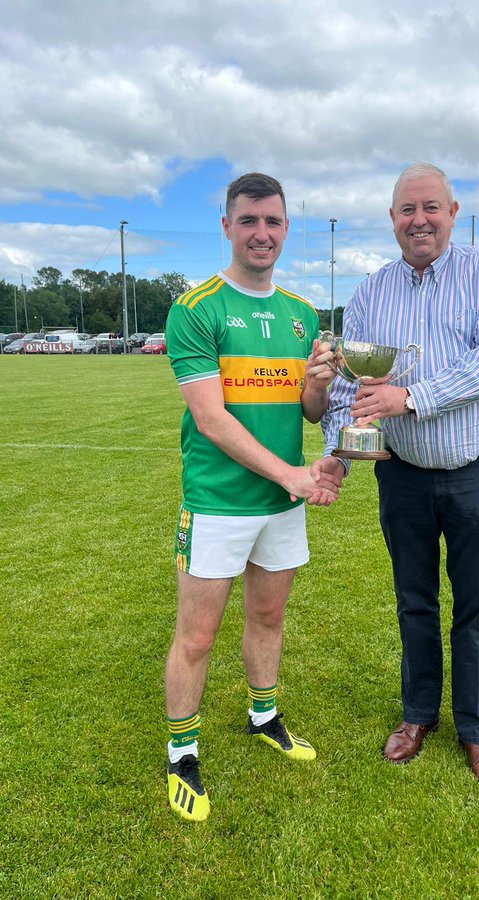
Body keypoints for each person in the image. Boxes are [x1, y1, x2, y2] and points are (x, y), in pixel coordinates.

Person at [320, 162, 479, 792]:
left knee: (477, 606)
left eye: (431, 207)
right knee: (414, 602)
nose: (419, 221)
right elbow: (350, 389)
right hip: (402, 475)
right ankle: (417, 716)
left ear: (453, 212)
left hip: (475, 470)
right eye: (407, 210)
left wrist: (411, 397)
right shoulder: (370, 292)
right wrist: (338, 452)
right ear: (392, 219)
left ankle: (476, 729)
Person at [163, 172, 340, 821]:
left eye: (272, 221)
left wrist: (318, 384)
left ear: (285, 228)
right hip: (216, 502)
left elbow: (312, 411)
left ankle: (262, 717)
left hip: (281, 506)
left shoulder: (301, 315)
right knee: (198, 635)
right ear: (227, 227)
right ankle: (182, 753)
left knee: (268, 617)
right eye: (248, 221)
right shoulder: (197, 307)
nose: (261, 233)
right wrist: (291, 476)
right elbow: (211, 419)